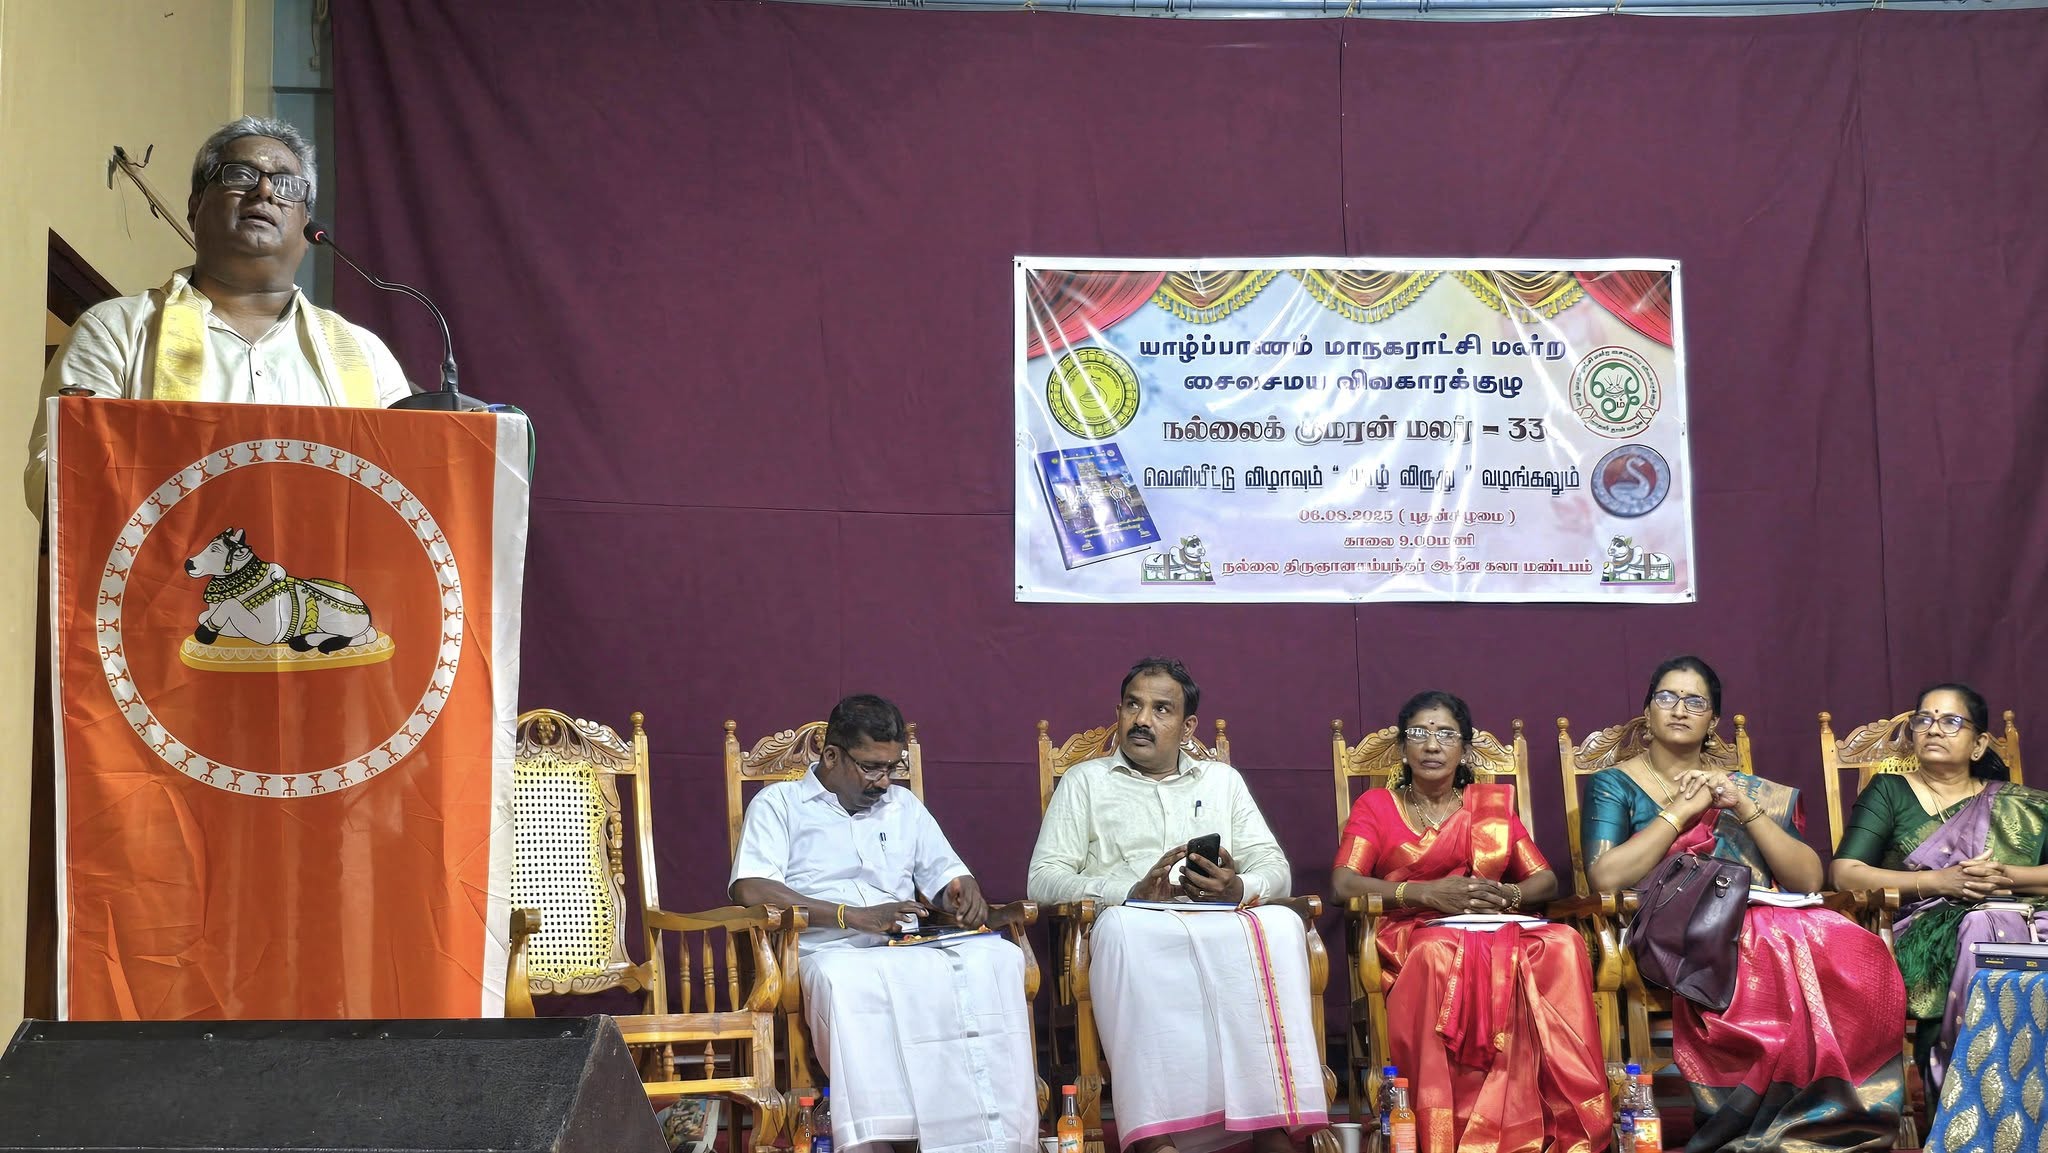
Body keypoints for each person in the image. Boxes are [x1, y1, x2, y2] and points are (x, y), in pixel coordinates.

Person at [1581, 655, 1906, 1153]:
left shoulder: (1748, 790)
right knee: (1764, 937)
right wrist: (1681, 811)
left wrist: (1745, 807)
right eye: (1666, 697)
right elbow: (1605, 877)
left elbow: (1808, 878)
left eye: (1695, 702)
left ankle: (1829, 1112)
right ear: (1647, 712)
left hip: (1764, 917)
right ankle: (1756, 1122)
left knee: (1849, 939)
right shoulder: (1615, 783)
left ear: (1712, 720)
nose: (1679, 710)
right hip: (1674, 929)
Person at [27, 115, 413, 505]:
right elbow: (59, 480)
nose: (265, 191)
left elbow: (407, 489)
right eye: (241, 175)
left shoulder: (366, 355)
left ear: (306, 224)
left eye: (286, 184)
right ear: (195, 206)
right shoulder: (116, 330)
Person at [1027, 657, 1328, 1153]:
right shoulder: (1086, 781)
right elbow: (1042, 880)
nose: (1142, 719)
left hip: (1218, 920)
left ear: (1188, 727)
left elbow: (1275, 867)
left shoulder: (1221, 781)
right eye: (1132, 705)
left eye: (1161, 709)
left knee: (1280, 925)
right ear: (1118, 712)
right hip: (1136, 923)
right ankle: (1154, 1134)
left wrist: (1237, 886)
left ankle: (1270, 1122)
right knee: (1122, 931)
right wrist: (1129, 892)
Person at [730, 694, 1036, 1153]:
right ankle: (885, 1134)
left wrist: (962, 889)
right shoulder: (780, 804)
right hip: (826, 951)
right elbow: (751, 889)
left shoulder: (903, 806)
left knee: (998, 958)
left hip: (903, 947)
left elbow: (947, 874)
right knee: (845, 982)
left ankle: (988, 1134)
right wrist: (851, 916)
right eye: (872, 767)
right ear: (831, 756)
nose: (885, 781)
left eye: (893, 767)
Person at [1330, 691, 1609, 1153]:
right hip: (1412, 932)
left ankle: (1549, 1120)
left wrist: (1507, 894)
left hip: (1489, 927)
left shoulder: (1489, 809)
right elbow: (1343, 883)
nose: (1432, 745)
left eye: (1446, 734)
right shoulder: (1377, 806)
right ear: (1402, 747)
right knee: (1436, 954)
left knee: (1562, 942)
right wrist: (1424, 893)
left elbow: (1544, 879)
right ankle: (1451, 1128)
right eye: (1419, 733)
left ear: (1464, 749)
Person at [1830, 682, 2048, 1090]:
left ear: (1979, 744)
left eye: (1950, 721)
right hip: (1920, 930)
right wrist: (1939, 881)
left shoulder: (2021, 804)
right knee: (1981, 927)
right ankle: (1965, 1090)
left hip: (2020, 917)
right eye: (1924, 720)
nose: (1933, 729)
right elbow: (1845, 872)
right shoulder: (1890, 791)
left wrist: (2003, 875)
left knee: (1996, 924)